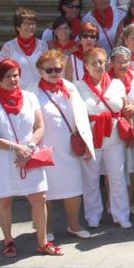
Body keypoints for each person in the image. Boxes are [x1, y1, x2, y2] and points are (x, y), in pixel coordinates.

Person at [0, 59, 58, 257]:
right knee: (5, 199)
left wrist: (29, 148)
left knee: (39, 197)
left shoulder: (30, 97)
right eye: (8, 76)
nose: (13, 79)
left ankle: (43, 242)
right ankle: (8, 240)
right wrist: (16, 148)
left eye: (16, 75)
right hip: (3, 158)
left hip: (29, 155)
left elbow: (39, 126)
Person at [34, 49, 94, 239]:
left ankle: (74, 225)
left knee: (73, 189)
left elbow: (81, 116)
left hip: (69, 146)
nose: (53, 73)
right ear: (40, 70)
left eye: (57, 69)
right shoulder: (32, 90)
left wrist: (85, 141)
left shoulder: (70, 87)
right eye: (48, 70)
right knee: (45, 191)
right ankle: (46, 228)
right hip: (45, 147)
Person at [76, 47, 132, 229]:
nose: (98, 66)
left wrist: (129, 132)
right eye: (93, 62)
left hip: (114, 137)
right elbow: (74, 115)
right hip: (90, 137)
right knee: (90, 177)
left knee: (117, 176)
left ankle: (121, 214)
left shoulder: (117, 84)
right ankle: (93, 214)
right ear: (86, 65)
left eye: (101, 62)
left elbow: (124, 110)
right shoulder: (77, 86)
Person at [110, 46, 134, 214]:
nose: (122, 65)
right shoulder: (106, 80)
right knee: (113, 168)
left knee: (132, 167)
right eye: (119, 62)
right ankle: (113, 202)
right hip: (112, 130)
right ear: (112, 63)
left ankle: (130, 201)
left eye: (125, 61)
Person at [0, 7, 48, 91]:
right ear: (18, 27)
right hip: (17, 92)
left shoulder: (43, 45)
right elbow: (0, 72)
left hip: (39, 92)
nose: (31, 26)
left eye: (33, 23)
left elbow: (48, 69)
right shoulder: (8, 47)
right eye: (26, 23)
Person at [65, 22, 98, 88]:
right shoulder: (72, 58)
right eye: (85, 36)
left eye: (92, 36)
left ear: (96, 39)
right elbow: (68, 83)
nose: (89, 39)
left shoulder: (101, 57)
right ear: (80, 39)